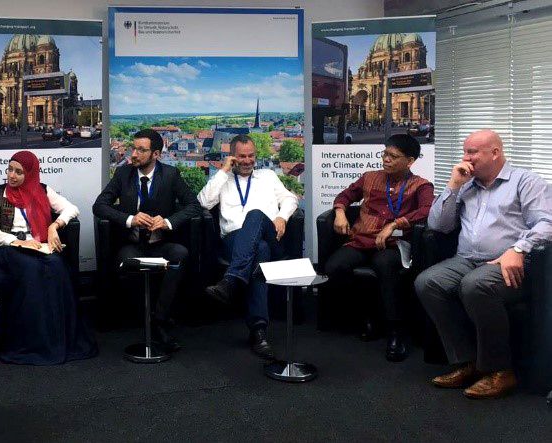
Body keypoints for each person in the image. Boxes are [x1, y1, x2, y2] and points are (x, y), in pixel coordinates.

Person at [415, 129, 552, 399]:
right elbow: (438, 225)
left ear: (495, 153)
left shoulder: (525, 181)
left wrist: (518, 248)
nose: (466, 158)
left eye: (472, 152)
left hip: (509, 265)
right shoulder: (466, 185)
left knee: (475, 285)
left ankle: (500, 371)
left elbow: (546, 223)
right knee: (427, 282)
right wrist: (453, 186)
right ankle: (467, 362)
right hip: (466, 260)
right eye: (465, 151)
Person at [323, 134, 434, 362]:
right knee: (334, 267)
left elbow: (427, 210)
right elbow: (345, 195)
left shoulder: (421, 185)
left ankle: (395, 332)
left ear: (410, 161)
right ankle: (368, 315)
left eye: (393, 156)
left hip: (392, 245)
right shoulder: (370, 177)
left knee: (385, 266)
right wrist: (340, 212)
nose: (386, 159)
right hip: (361, 240)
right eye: (385, 154)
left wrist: (395, 224)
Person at [0, 150, 97, 365]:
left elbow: (71, 209)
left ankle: (56, 340)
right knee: (31, 270)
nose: (12, 176)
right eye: (10, 170)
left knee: (56, 266)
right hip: (9, 249)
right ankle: (30, 342)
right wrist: (18, 242)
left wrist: (54, 226)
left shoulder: (42, 190)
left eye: (19, 172)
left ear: (30, 173)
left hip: (39, 246)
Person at [93, 129, 200, 352]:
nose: (134, 154)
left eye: (141, 150)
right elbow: (99, 206)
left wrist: (168, 222)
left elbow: (193, 205)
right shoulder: (123, 174)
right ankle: (146, 317)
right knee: (126, 264)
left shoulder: (170, 175)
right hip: (132, 244)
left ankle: (159, 319)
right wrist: (130, 219)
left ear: (156, 154)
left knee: (180, 255)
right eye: (134, 148)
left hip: (161, 243)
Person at [199, 134, 299, 358]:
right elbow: (204, 202)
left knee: (255, 215)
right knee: (259, 250)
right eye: (241, 156)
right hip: (234, 241)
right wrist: (223, 171)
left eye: (251, 156)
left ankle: (230, 280)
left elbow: (290, 199)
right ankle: (259, 331)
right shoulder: (222, 180)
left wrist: (282, 217)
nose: (247, 161)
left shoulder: (268, 176)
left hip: (271, 236)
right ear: (232, 157)